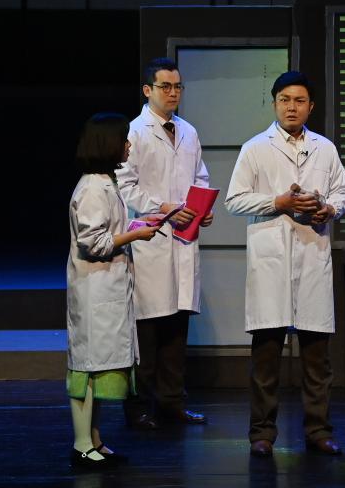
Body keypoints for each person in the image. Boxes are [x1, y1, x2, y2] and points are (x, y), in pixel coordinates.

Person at [225, 71, 345, 458]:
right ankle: (261, 434)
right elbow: (234, 200)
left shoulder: (324, 149)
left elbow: (343, 192)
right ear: (274, 104)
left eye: (298, 101)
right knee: (266, 359)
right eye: (284, 100)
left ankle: (318, 431)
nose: (291, 107)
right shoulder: (255, 148)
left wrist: (330, 208)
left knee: (317, 358)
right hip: (271, 260)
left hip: (311, 255)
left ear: (310, 106)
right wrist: (277, 202)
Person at [117, 57, 212, 429]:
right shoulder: (135, 131)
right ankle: (139, 406)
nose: (173, 93)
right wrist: (164, 207)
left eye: (177, 87)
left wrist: (202, 209)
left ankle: (172, 403)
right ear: (148, 90)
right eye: (165, 87)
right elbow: (125, 187)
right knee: (147, 332)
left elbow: (200, 178)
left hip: (183, 240)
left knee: (176, 328)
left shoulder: (188, 131)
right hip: (150, 241)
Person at [67, 113, 161, 469]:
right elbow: (93, 242)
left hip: (108, 286)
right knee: (88, 369)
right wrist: (135, 234)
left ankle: (94, 440)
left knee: (100, 366)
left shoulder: (106, 183)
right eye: (124, 138)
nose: (128, 144)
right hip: (94, 290)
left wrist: (138, 224)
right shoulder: (93, 188)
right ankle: (81, 445)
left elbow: (110, 231)